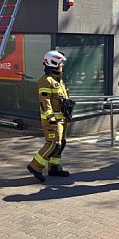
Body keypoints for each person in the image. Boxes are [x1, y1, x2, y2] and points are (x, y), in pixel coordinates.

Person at [27, 50, 71, 182]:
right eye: (60, 63)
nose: (62, 65)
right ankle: (35, 166)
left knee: (61, 143)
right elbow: (44, 101)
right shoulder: (46, 81)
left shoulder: (58, 79)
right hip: (52, 120)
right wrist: (50, 117)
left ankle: (54, 168)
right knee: (53, 144)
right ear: (54, 63)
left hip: (61, 119)